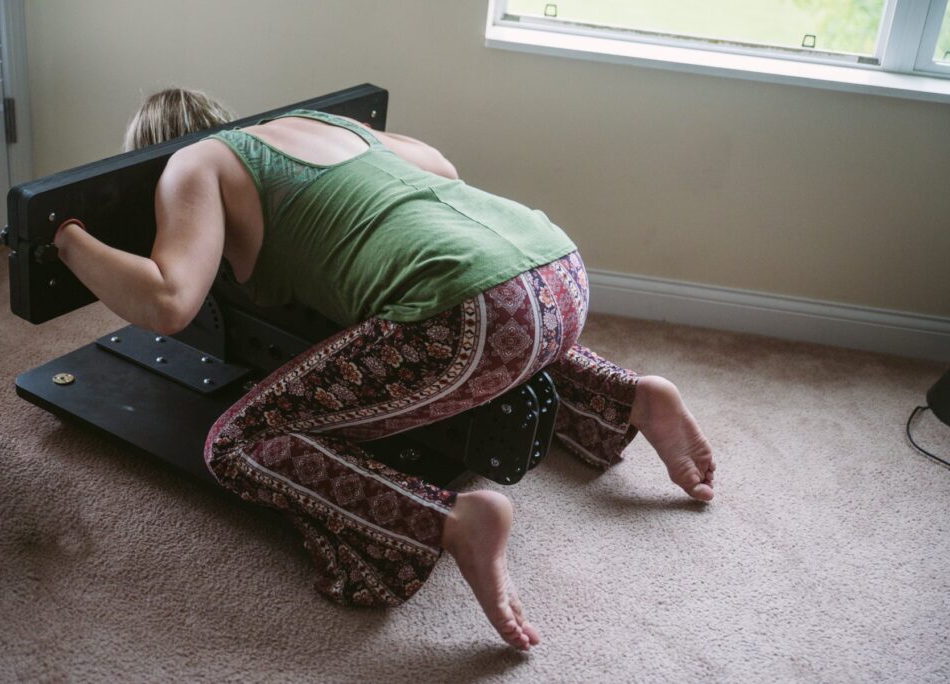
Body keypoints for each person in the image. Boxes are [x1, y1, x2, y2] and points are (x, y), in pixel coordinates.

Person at [54, 87, 716, 651]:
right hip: (556, 271)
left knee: (239, 441)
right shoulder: (323, 125)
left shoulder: (191, 164)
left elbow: (169, 302)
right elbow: (444, 169)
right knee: (490, 326)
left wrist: (64, 237)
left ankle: (454, 522)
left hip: (476, 313)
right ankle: (631, 396)